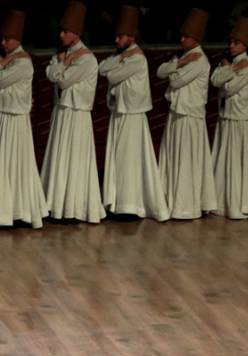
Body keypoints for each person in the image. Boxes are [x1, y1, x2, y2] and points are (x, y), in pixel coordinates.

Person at [98, 6, 170, 221]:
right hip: (119, 112)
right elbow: (102, 69)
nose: (117, 41)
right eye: (117, 36)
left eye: (121, 37)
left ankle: (130, 205)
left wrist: (118, 63)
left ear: (131, 37)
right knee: (118, 157)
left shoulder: (138, 58)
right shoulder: (121, 55)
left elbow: (112, 77)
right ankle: (117, 201)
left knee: (129, 158)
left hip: (132, 114)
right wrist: (119, 59)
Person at [0, 9, 47, 229]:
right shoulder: (3, 57)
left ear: (17, 40)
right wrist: (0, 63)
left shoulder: (23, 62)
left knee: (13, 162)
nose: (3, 43)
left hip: (14, 118)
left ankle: (15, 210)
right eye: (2, 39)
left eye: (7, 39)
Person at [40, 1, 105, 223]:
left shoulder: (86, 58)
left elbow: (64, 80)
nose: (61, 35)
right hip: (62, 111)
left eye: (65, 31)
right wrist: (61, 64)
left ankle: (73, 208)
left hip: (77, 113)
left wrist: (61, 66)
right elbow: (51, 74)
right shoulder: (62, 54)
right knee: (60, 156)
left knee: (74, 158)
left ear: (76, 33)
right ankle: (56, 205)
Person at [157, 8, 217, 219]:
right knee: (173, 156)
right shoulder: (185, 57)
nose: (182, 40)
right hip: (177, 113)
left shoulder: (200, 60)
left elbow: (175, 80)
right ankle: (169, 200)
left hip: (190, 116)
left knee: (186, 159)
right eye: (181, 36)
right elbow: (160, 72)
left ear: (196, 39)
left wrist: (175, 67)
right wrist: (178, 63)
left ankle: (185, 206)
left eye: (186, 37)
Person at [210, 17, 248, 220]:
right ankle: (221, 201)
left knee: (237, 162)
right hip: (226, 117)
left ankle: (238, 204)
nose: (231, 46)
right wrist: (231, 69)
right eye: (230, 42)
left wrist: (227, 72)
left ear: (245, 45)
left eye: (236, 43)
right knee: (223, 159)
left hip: (240, 119)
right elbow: (215, 80)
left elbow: (228, 88)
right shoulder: (230, 63)